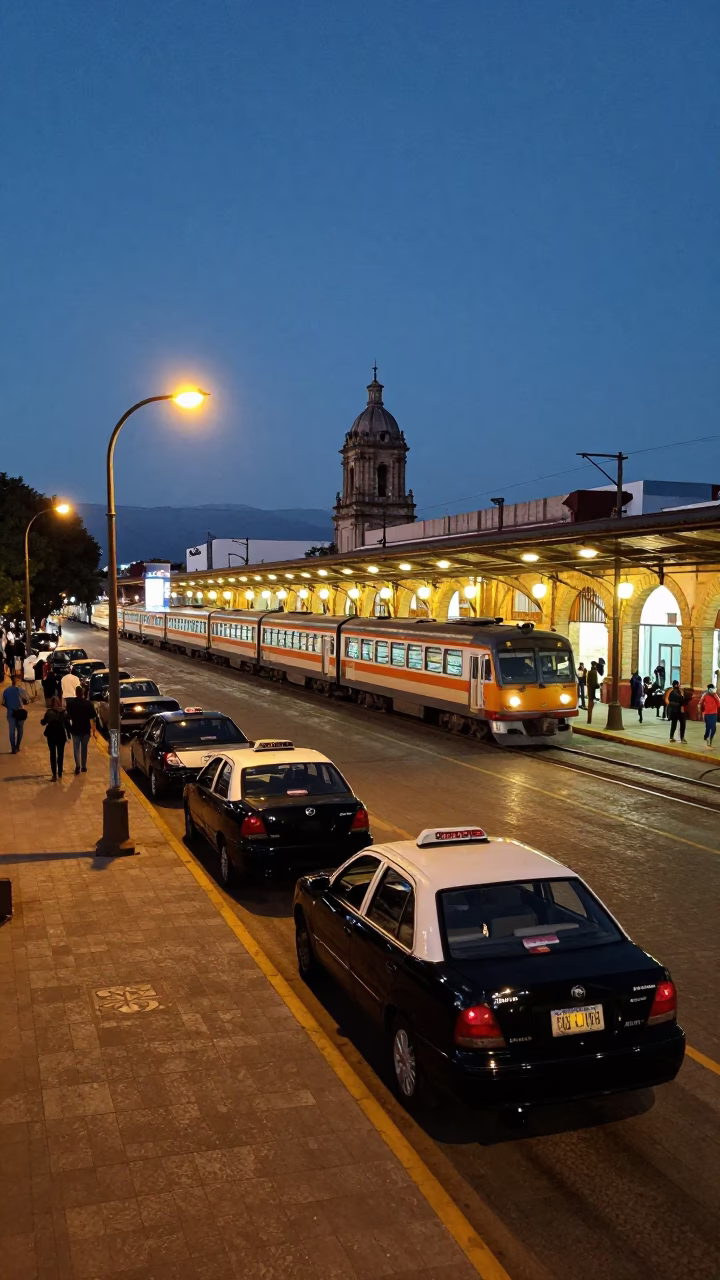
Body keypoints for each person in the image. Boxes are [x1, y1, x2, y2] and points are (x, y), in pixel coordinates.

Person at [65, 685, 98, 773]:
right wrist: (94, 731)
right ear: (83, 693)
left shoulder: (71, 704)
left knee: (76, 748)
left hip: (75, 728)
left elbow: (68, 717)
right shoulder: (88, 704)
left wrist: (68, 729)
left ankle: (77, 766)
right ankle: (84, 766)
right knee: (84, 748)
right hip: (86, 729)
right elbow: (93, 718)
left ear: (76, 693)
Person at [40, 697, 72, 779]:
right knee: (60, 754)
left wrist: (42, 721)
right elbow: (68, 725)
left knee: (52, 754)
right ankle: (60, 772)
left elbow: (43, 723)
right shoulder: (64, 713)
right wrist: (69, 734)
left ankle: (54, 774)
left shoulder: (49, 712)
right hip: (61, 735)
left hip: (51, 735)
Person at [2, 673, 29, 753]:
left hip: (10, 713)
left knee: (11, 730)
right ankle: (17, 746)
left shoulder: (6, 691)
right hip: (20, 712)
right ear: (17, 681)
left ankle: (13, 748)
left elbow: (3, 703)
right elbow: (27, 701)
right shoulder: (22, 691)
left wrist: (9, 707)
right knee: (20, 730)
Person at [698, 683, 720, 748]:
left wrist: (715, 697)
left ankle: (710, 739)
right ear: (709, 689)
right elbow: (700, 702)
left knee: (713, 728)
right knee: (708, 727)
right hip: (707, 714)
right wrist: (699, 708)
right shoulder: (705, 695)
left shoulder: (715, 695)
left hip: (714, 714)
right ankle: (706, 736)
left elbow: (719, 704)